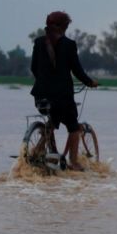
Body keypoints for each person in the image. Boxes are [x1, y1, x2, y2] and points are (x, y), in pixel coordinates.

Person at [30, 11, 99, 171]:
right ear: (64, 27)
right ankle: (73, 162)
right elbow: (77, 70)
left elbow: (34, 68)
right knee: (73, 127)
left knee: (53, 120)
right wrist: (90, 82)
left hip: (40, 95)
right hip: (62, 97)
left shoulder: (39, 42)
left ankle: (37, 151)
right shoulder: (69, 44)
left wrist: (44, 82)